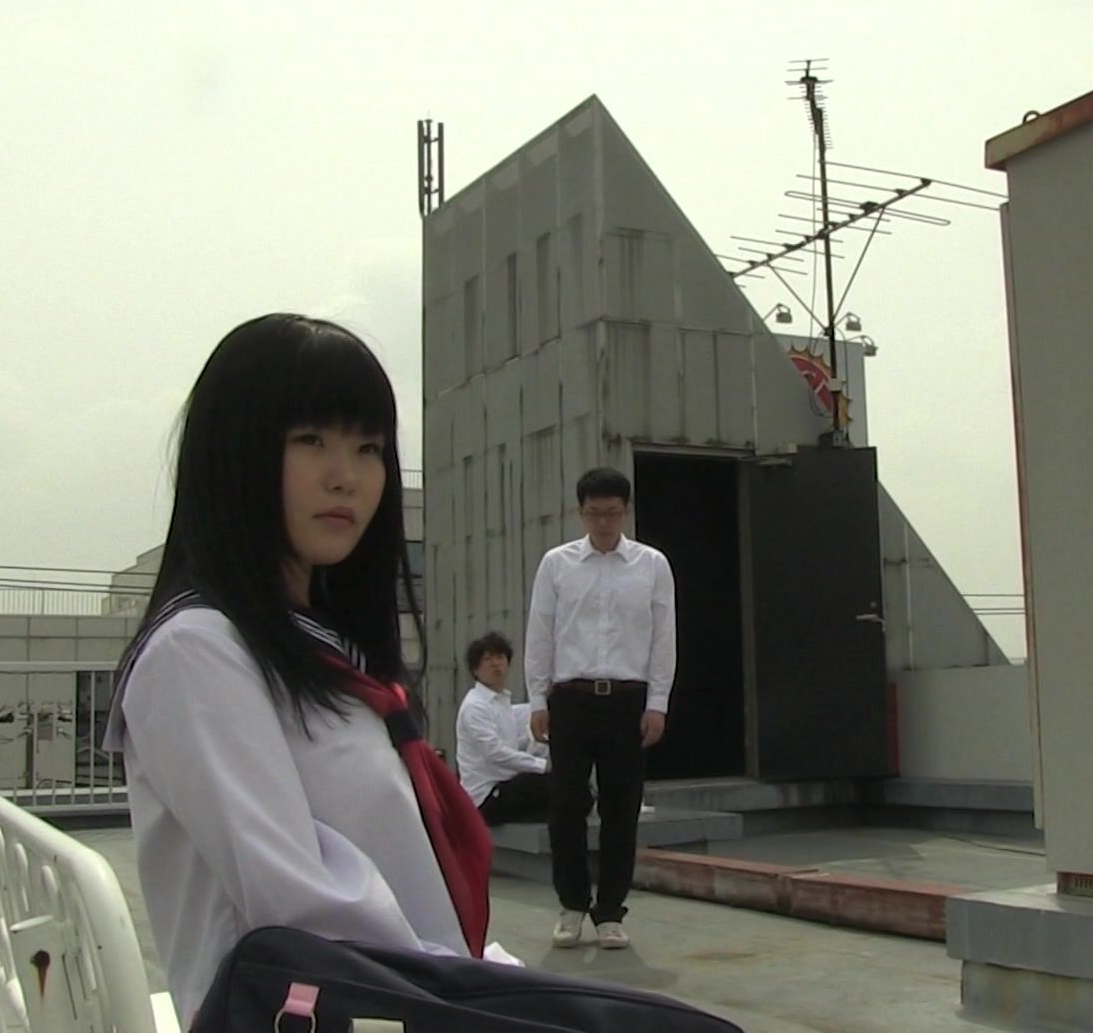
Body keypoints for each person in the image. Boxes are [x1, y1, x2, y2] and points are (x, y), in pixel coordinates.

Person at [99, 313, 503, 1019]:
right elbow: (305, 908)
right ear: (235, 453)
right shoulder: (197, 653)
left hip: (407, 994)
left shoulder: (328, 649)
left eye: (368, 448)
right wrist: (498, 1004)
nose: (346, 477)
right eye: (311, 440)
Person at [524, 466, 676, 950]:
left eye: (612, 513)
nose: (604, 522)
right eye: (594, 513)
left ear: (625, 510)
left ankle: (610, 911)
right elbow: (540, 633)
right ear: (580, 512)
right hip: (570, 698)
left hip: (628, 700)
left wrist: (658, 703)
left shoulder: (652, 565)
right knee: (566, 805)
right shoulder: (557, 564)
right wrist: (537, 698)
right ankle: (571, 906)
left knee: (621, 809)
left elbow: (663, 639)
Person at [455, 630, 552, 826]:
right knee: (558, 786)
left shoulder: (502, 703)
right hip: (485, 797)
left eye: (500, 657)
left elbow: (517, 741)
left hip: (506, 785)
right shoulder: (475, 706)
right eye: (487, 659)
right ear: (475, 669)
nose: (495, 664)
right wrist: (542, 766)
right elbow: (495, 753)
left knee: (571, 787)